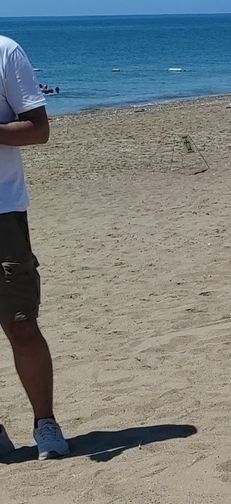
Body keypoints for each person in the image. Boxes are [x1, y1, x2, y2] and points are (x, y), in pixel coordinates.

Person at [0, 35, 70, 460]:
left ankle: (45, 424)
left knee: (20, 324)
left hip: (3, 213)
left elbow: (38, 129)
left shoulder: (5, 51)